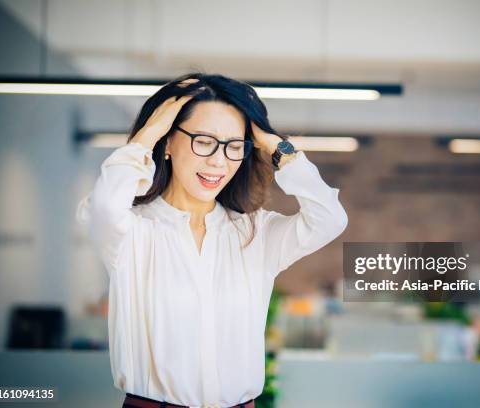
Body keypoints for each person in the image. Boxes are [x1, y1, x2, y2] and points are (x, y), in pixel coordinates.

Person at [75, 72, 348, 408]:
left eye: (234, 146)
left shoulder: (255, 233)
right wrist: (147, 135)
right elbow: (105, 204)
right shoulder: (133, 231)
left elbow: (330, 218)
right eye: (203, 141)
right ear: (169, 142)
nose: (219, 161)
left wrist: (279, 147)